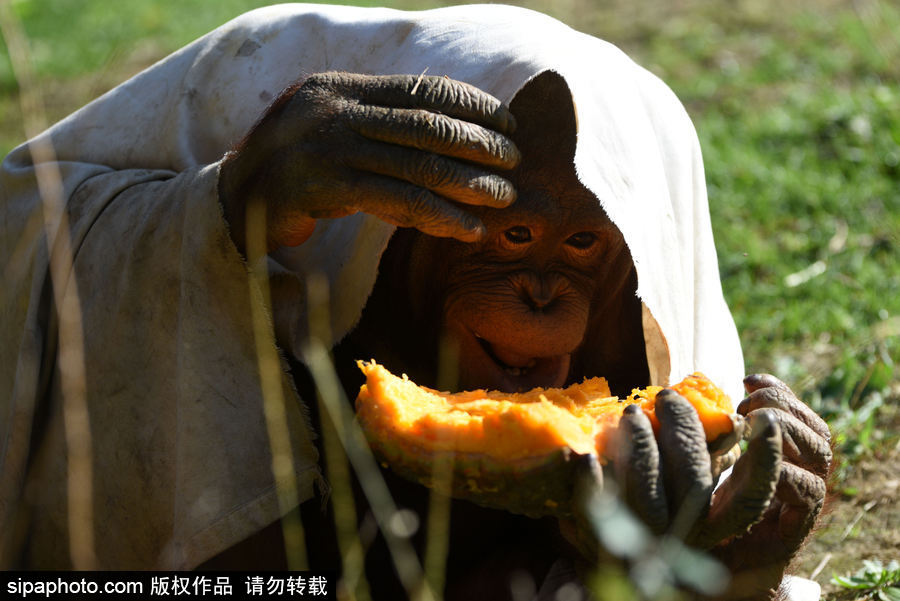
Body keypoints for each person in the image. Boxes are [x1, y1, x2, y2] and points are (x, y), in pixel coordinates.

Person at [0, 4, 828, 600]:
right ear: (399, 229)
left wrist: (723, 555)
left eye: (580, 248)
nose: (540, 296)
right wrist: (223, 211)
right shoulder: (319, 228)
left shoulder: (629, 346)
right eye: (508, 237)